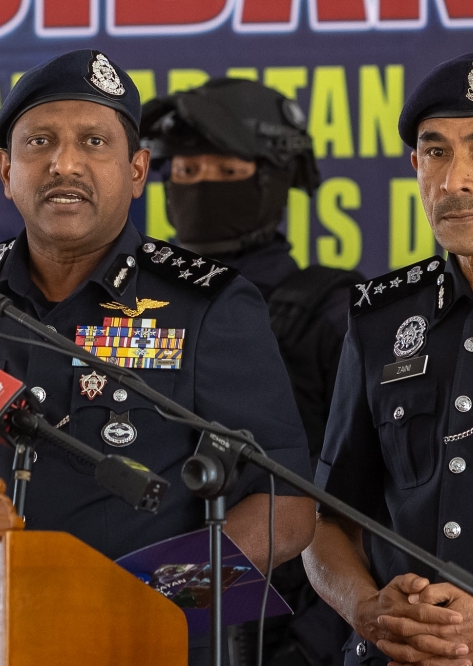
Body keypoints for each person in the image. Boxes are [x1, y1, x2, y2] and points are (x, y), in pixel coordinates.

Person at [0, 49, 316, 662]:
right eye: (39, 142)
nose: (65, 164)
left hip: (136, 643)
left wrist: (149, 602)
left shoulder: (207, 304)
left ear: (137, 171)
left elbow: (288, 509)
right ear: (6, 170)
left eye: (94, 142)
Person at [304, 51, 473, 666]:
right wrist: (367, 610)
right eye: (435, 153)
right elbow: (328, 521)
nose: (453, 182)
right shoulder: (380, 318)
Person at [140, 77, 358, 666]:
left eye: (227, 171)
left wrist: (315, 645)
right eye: (185, 171)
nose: (202, 185)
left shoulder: (332, 314)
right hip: (144, 616)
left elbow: (370, 504)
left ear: (277, 176)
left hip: (281, 630)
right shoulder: (128, 311)